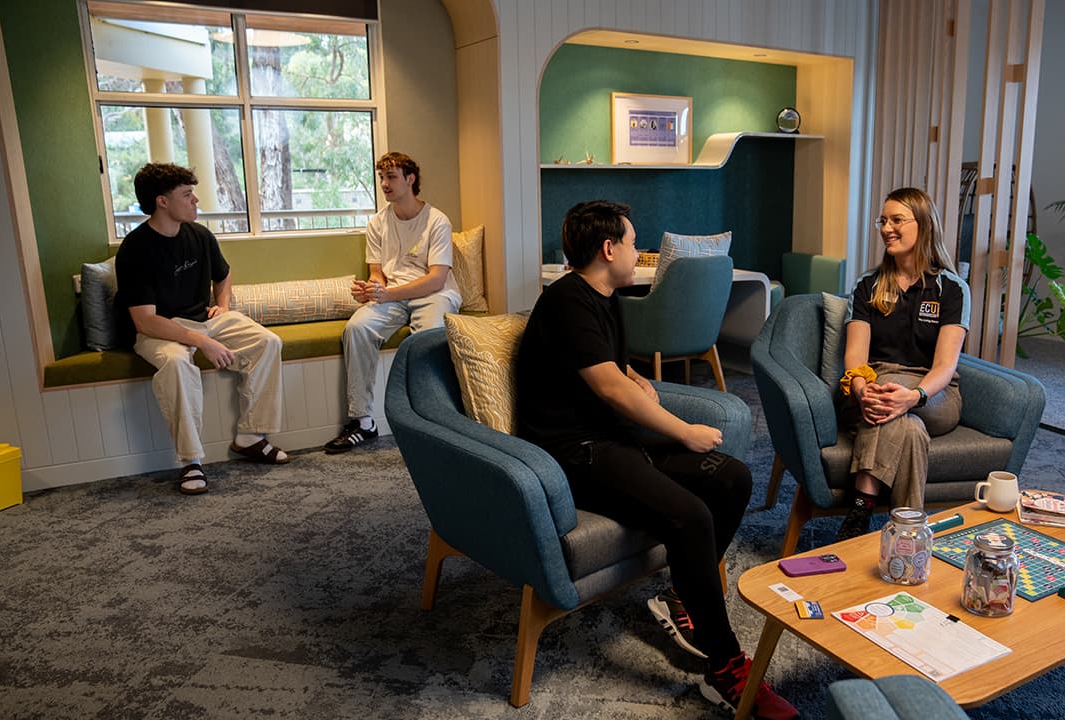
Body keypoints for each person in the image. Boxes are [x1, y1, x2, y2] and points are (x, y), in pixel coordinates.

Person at [515, 200, 797, 720]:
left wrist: (634, 378)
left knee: (732, 478)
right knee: (689, 514)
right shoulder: (566, 301)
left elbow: (613, 370)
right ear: (608, 248)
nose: (636, 253)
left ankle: (681, 596)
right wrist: (682, 430)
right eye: (631, 241)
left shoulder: (607, 298)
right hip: (575, 455)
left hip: (616, 442)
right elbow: (609, 390)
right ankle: (726, 668)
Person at [115, 163, 289, 495]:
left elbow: (223, 274)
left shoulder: (199, 235)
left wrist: (222, 306)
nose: (196, 201)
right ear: (162, 201)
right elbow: (145, 320)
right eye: (187, 195)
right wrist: (201, 342)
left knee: (267, 342)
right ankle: (191, 461)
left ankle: (251, 436)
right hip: (158, 330)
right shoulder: (136, 249)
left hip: (205, 319)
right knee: (178, 364)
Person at [835, 187, 971, 539]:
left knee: (899, 402)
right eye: (883, 220)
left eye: (897, 220)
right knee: (906, 426)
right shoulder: (867, 285)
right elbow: (856, 356)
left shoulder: (951, 289)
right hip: (875, 384)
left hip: (934, 394)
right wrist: (863, 389)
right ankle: (909, 530)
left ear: (924, 225)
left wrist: (914, 396)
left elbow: (944, 365)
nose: (886, 228)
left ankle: (861, 506)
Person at [325, 152, 461, 453]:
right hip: (393, 295)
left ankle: (434, 420)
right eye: (382, 177)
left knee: (429, 338)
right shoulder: (377, 222)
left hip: (433, 295)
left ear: (410, 179)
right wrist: (371, 291)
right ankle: (362, 422)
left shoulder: (437, 220)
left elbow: (437, 278)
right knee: (357, 328)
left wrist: (387, 294)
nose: (384, 184)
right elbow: (378, 273)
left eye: (391, 177)